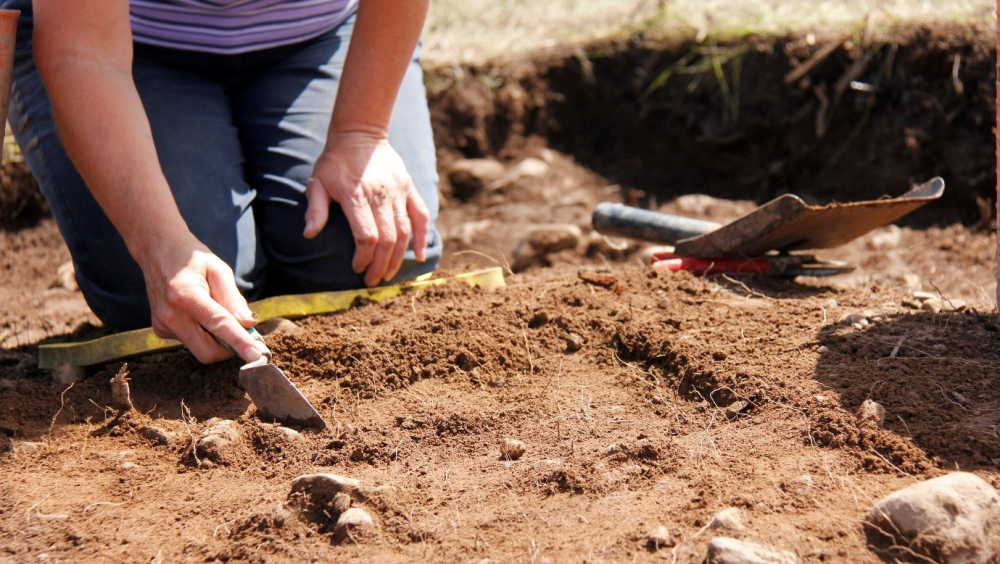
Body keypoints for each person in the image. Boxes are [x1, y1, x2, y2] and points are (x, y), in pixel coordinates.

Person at [2, 0, 442, 364]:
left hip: (318, 35)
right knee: (174, 299)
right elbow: (83, 51)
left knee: (364, 253)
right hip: (120, 43)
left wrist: (360, 132)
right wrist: (159, 244)